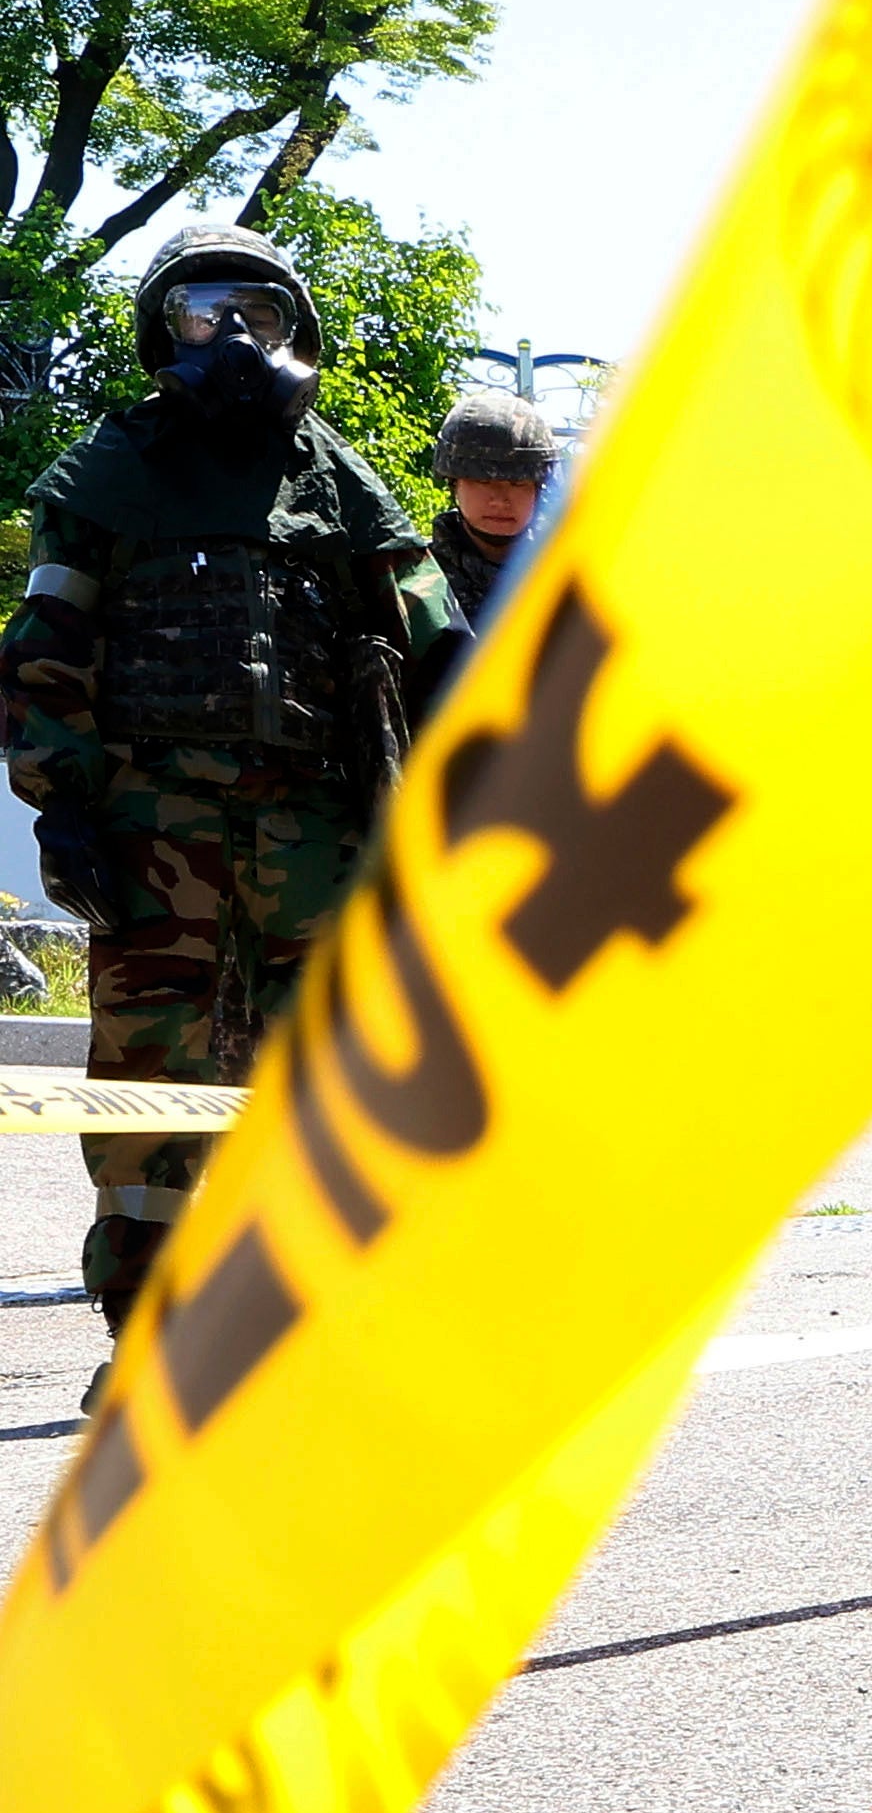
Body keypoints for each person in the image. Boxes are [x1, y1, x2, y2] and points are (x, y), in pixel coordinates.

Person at [7, 222, 463, 1347]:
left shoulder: (333, 473)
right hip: (153, 823)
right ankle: (146, 1329)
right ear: (167, 330)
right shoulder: (117, 462)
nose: (234, 341)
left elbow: (435, 635)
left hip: (315, 829)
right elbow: (46, 644)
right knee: (150, 1072)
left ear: (292, 328)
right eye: (205, 316)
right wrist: (60, 802)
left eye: (256, 316)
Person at [424, 387, 558, 644]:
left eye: (518, 483)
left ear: (537, 491)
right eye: (482, 481)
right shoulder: (417, 581)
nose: (499, 499)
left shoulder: (561, 576)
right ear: (454, 484)